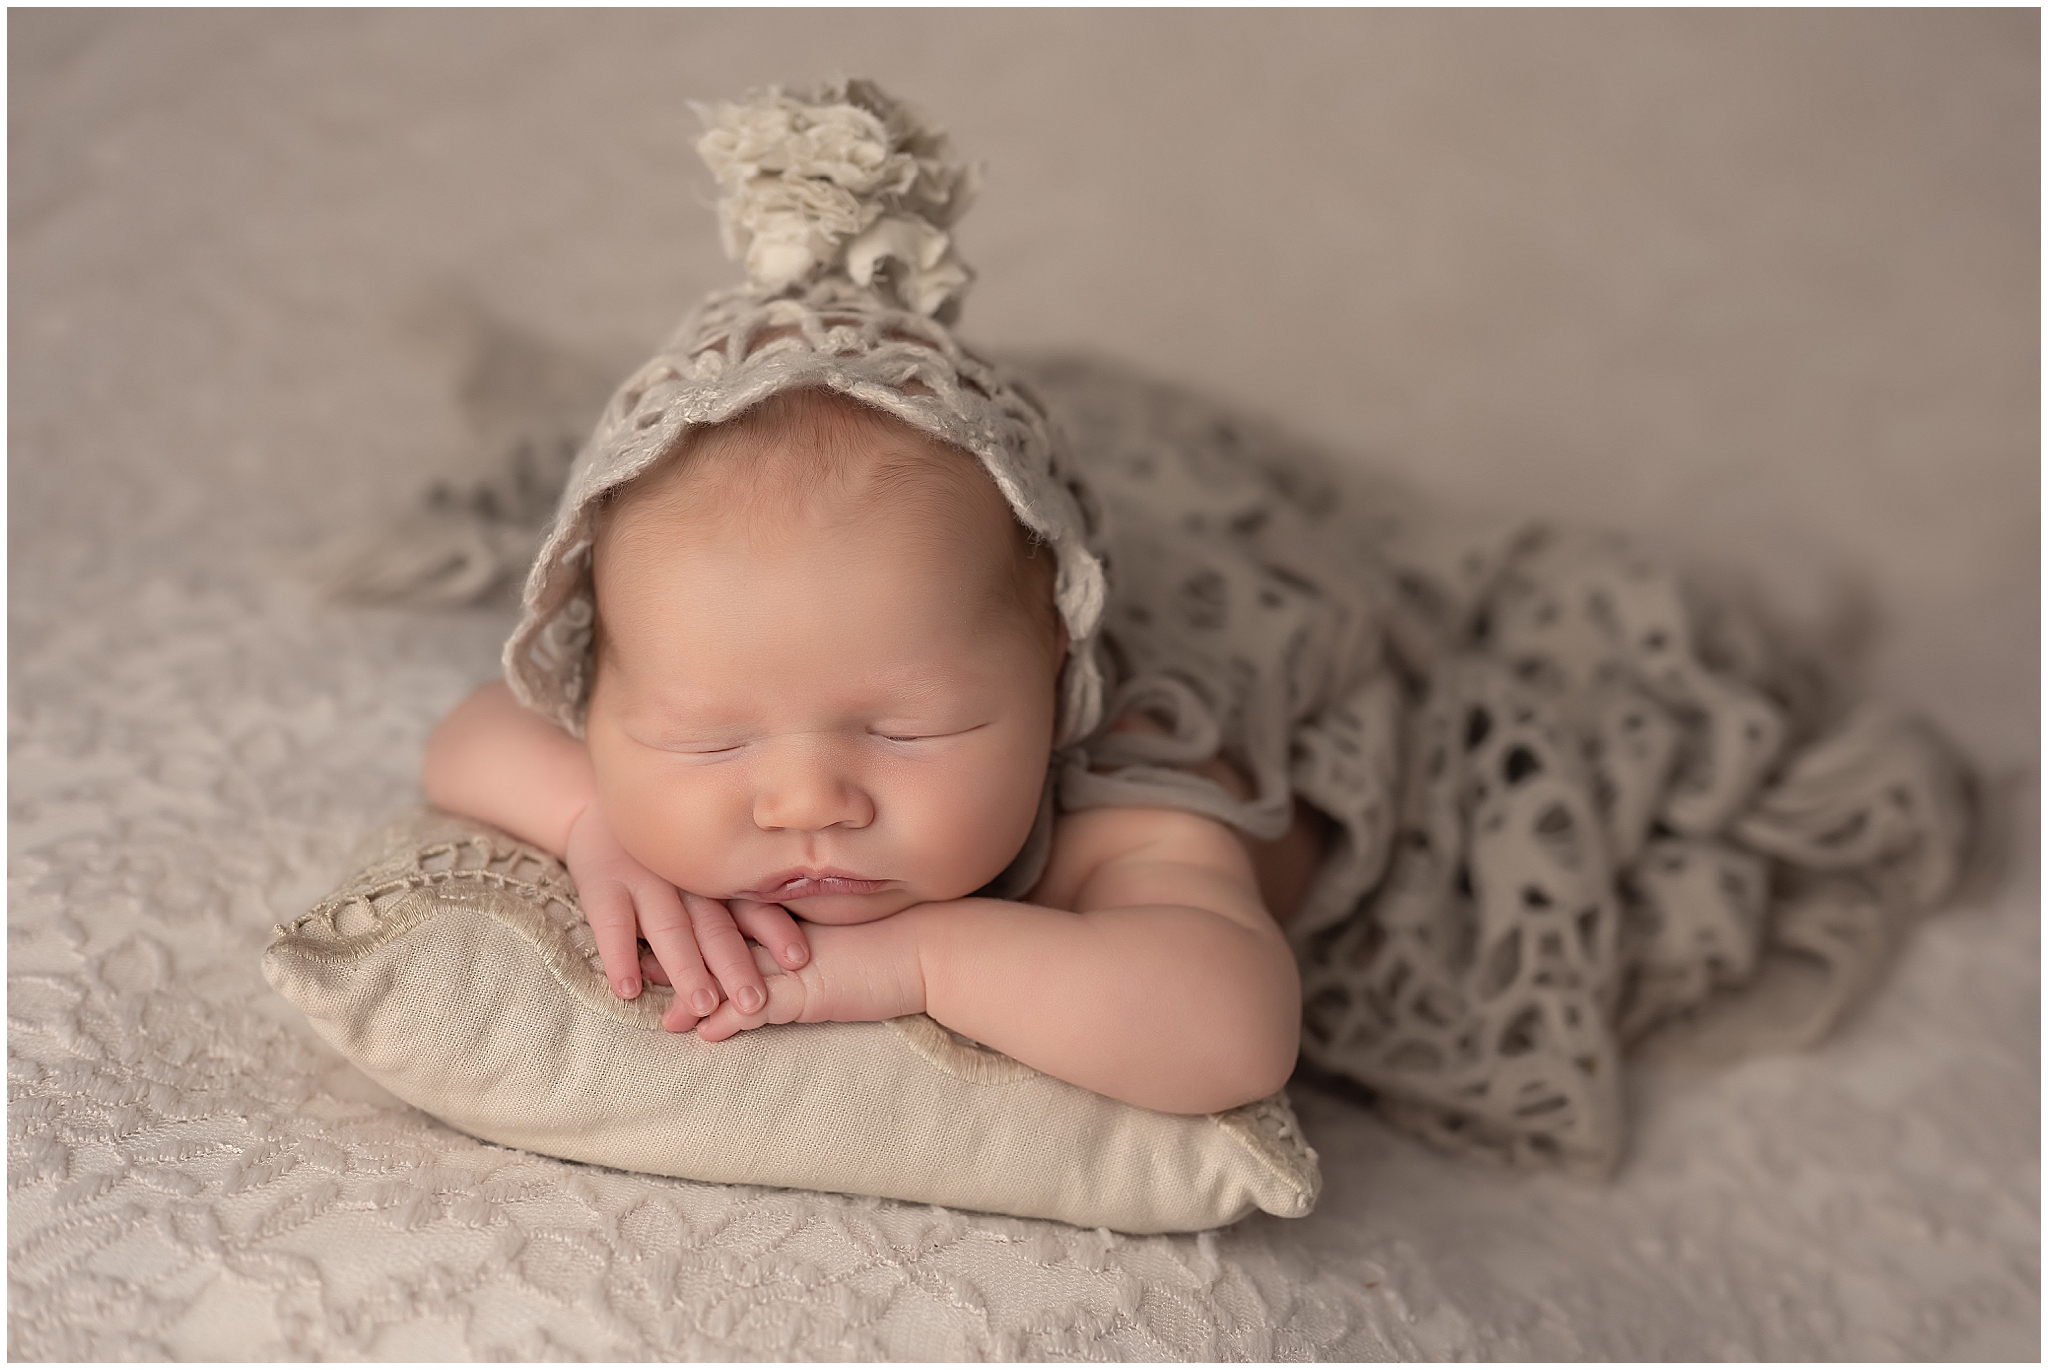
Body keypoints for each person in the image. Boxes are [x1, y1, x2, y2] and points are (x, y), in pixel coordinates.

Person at [417, 78, 1971, 1165]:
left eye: (910, 723)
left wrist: (919, 965)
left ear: (1057, 681)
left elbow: (1230, 1029)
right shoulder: (641, 715)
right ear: (602, 688)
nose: (809, 793)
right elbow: (481, 732)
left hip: (1318, 664)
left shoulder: (1126, 791)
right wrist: (604, 827)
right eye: (701, 734)